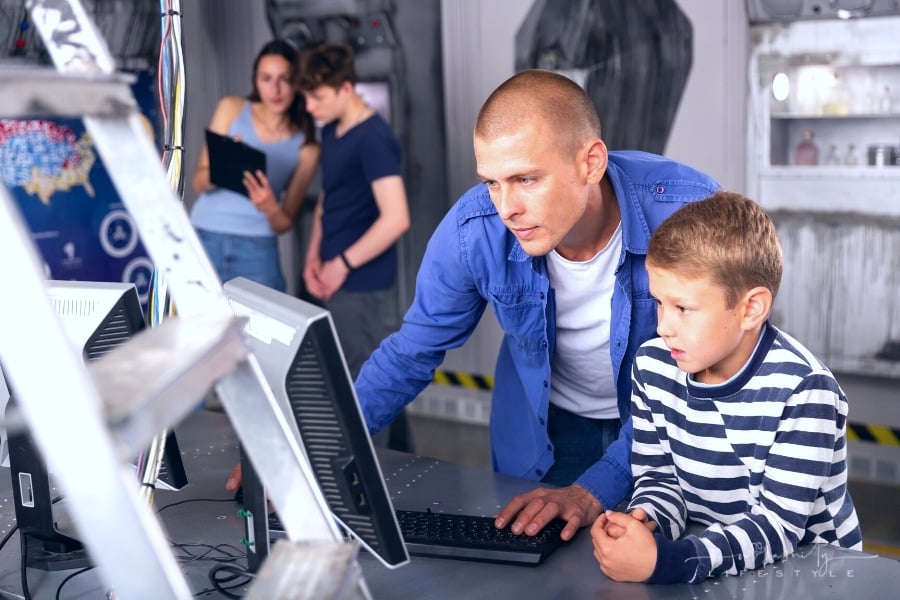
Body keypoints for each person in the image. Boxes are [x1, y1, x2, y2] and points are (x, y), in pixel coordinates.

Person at [354, 68, 721, 541]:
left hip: (669, 432)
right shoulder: (475, 230)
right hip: (546, 433)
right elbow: (410, 353)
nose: (506, 208)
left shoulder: (689, 214)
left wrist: (594, 488)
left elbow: (713, 373)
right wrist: (317, 448)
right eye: (492, 182)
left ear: (590, 163)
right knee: (537, 566)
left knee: (659, 563)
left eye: (525, 179)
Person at [591, 191, 862, 584]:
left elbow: (778, 527)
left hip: (815, 576)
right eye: (659, 303)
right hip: (719, 562)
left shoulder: (804, 390)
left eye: (683, 308)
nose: (664, 326)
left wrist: (669, 561)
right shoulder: (652, 366)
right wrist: (646, 522)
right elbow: (659, 477)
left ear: (751, 308)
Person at [296, 42, 412, 450]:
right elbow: (329, 197)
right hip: (334, 274)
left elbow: (396, 218)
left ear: (346, 88)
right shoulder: (332, 130)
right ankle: (400, 464)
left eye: (317, 97)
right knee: (370, 378)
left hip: (363, 285)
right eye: (306, 97)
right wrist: (314, 255)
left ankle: (370, 477)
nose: (309, 107)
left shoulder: (373, 138)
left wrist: (341, 263)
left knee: (367, 384)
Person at [190, 39, 319, 292]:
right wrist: (227, 162)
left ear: (297, 83)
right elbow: (198, 182)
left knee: (267, 316)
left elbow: (284, 223)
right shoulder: (231, 108)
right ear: (255, 81)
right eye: (266, 78)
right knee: (196, 317)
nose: (275, 89)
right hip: (205, 236)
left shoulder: (308, 146)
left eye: (284, 79)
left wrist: (269, 206)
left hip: (258, 247)